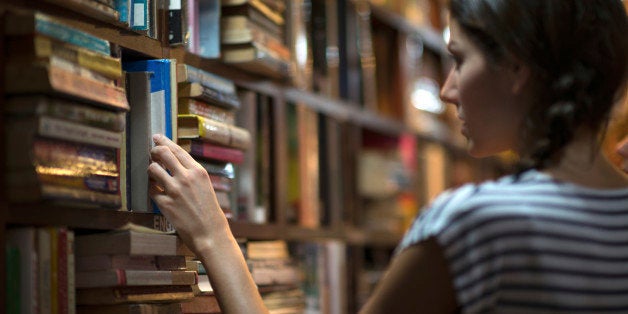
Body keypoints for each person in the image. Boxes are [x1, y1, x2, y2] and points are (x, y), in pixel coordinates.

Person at [147, 0, 628, 312]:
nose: (447, 90)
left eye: (460, 60)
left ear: (517, 67)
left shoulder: (479, 222)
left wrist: (213, 237)